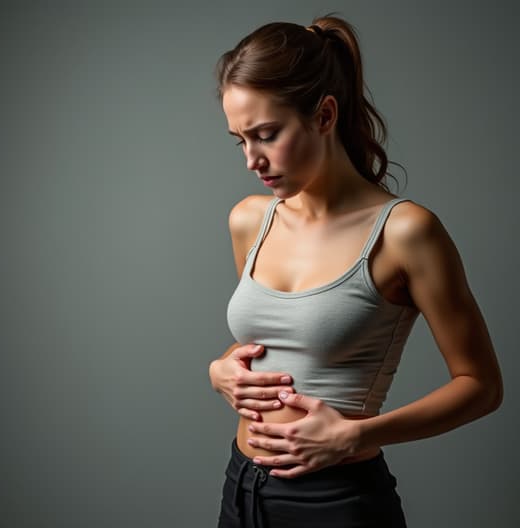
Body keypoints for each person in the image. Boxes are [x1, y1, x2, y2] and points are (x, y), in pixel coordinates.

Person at [208, 14, 503, 528]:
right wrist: (221, 369)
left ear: (324, 115)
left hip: (337, 501)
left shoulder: (404, 232)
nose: (252, 160)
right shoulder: (249, 219)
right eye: (241, 140)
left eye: (267, 134)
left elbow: (481, 384)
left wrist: (358, 435)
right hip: (242, 489)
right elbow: (270, 341)